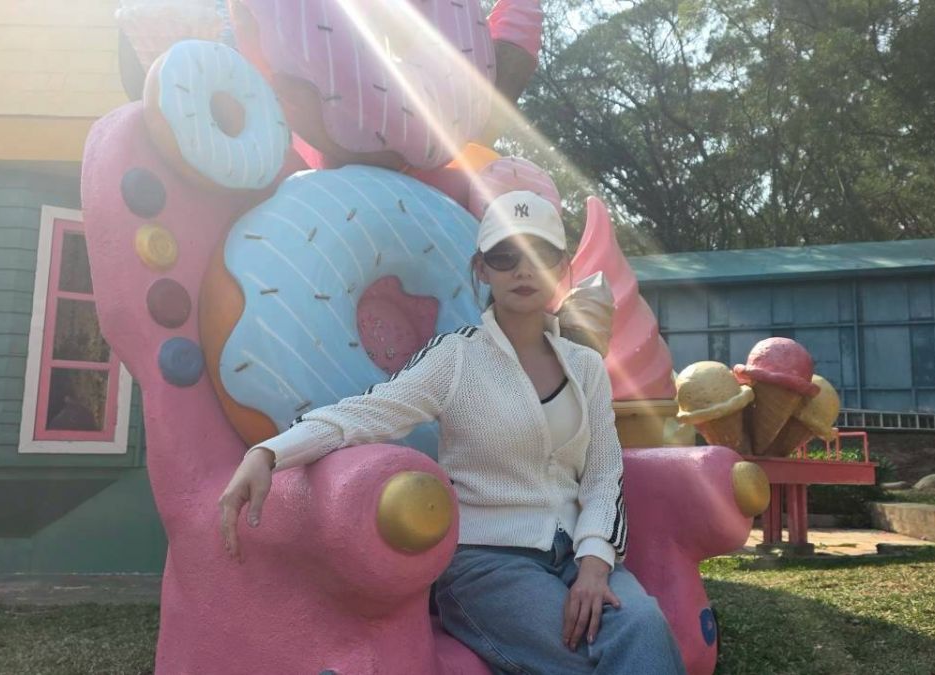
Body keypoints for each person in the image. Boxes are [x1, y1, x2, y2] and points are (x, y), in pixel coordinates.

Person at [218, 191, 686, 674]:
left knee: (645, 627)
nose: (523, 270)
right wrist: (268, 453)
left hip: (577, 553)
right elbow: (366, 412)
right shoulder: (455, 357)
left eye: (540, 254)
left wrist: (594, 563)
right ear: (481, 269)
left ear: (561, 266)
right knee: (579, 660)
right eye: (505, 256)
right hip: (487, 563)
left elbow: (604, 475)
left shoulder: (586, 366)